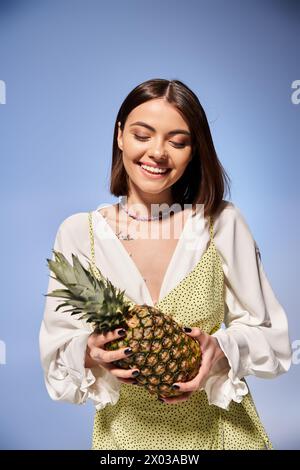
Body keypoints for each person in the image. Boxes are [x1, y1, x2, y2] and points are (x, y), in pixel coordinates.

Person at [39, 78, 292, 450]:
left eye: (178, 141)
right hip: (125, 442)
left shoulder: (220, 222)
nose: (158, 152)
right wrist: (90, 352)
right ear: (120, 135)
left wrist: (221, 348)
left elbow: (275, 340)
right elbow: (56, 360)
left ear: (194, 151)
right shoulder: (80, 233)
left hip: (221, 436)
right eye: (143, 135)